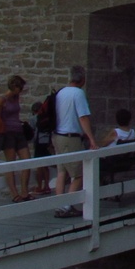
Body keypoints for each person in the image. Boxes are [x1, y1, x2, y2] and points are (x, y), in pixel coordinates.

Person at [52, 65, 96, 214]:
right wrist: (92, 140)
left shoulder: (60, 93)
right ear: (82, 79)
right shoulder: (78, 94)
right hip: (71, 138)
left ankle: (59, 204)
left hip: (57, 136)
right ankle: (67, 206)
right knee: (78, 174)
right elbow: (83, 117)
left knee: (62, 172)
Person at [0, 75, 33, 202]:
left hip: (19, 131)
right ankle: (14, 193)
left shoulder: (16, 97)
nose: (21, 90)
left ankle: (24, 192)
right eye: (20, 88)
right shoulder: (2, 100)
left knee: (26, 161)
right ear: (14, 87)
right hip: (8, 133)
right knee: (10, 163)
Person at [29, 100, 55, 197]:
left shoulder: (33, 118)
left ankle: (40, 186)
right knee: (46, 166)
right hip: (47, 142)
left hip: (39, 143)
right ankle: (47, 186)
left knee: (39, 166)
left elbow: (31, 131)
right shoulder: (48, 117)